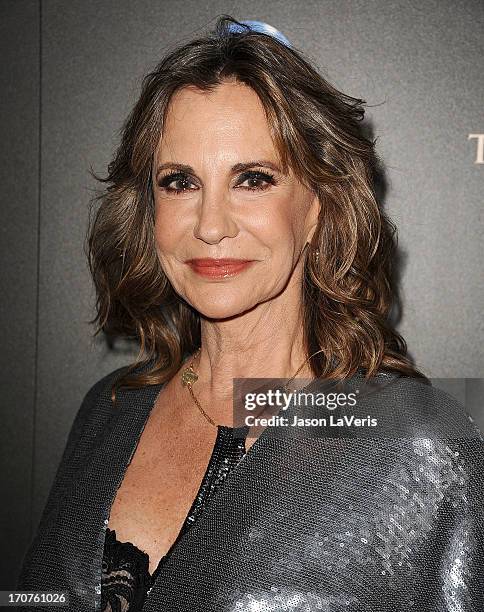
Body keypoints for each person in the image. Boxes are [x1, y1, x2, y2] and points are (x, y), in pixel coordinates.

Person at [17, 15, 484, 612]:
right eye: (180, 182)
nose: (210, 225)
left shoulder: (420, 446)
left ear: (316, 208)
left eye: (253, 179)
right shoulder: (109, 409)